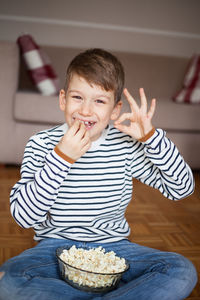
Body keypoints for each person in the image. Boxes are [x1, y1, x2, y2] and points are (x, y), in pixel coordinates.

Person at [0, 48, 197, 300]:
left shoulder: (125, 146)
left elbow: (182, 188)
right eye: (77, 97)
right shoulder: (41, 143)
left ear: (115, 110)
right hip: (54, 251)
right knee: (8, 279)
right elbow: (23, 217)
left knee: (180, 269)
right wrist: (62, 158)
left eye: (99, 101)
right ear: (63, 99)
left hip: (115, 251)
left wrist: (151, 138)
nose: (85, 110)